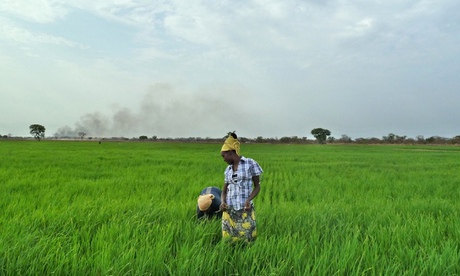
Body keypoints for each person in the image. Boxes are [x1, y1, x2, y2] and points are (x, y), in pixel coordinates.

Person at [220, 132, 263, 243]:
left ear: (230, 152)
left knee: (248, 239)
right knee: (229, 241)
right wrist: (222, 202)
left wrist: (248, 200)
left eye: (223, 155)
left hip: (245, 209)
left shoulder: (250, 163)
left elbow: (257, 186)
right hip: (230, 211)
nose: (223, 159)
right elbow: (224, 191)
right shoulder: (228, 170)